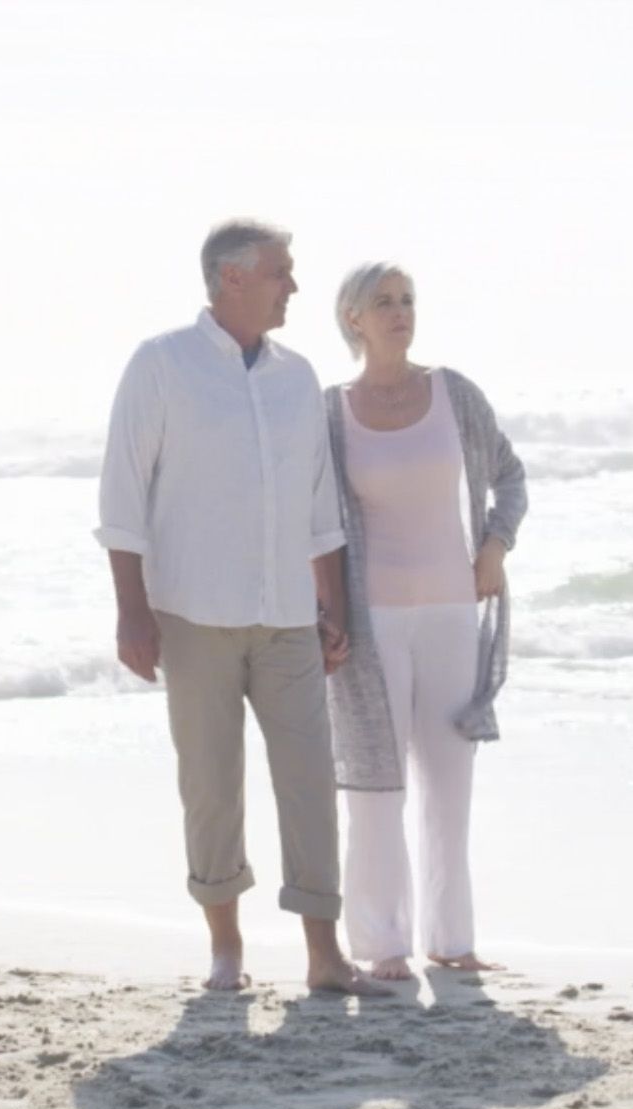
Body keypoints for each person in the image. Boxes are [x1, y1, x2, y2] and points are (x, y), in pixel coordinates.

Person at [95, 219, 384, 996]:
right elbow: (122, 498)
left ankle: (324, 955)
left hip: (289, 618)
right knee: (212, 787)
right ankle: (225, 947)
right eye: (280, 272)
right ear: (233, 277)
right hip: (193, 615)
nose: (293, 286)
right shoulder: (161, 365)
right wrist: (132, 612)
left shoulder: (297, 377)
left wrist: (333, 609)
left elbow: (319, 508)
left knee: (310, 784)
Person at [323, 262, 528, 981]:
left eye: (407, 300)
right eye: (383, 302)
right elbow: (310, 519)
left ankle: (452, 938)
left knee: (449, 782)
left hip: (449, 613)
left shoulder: (453, 394)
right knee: (376, 786)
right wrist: (323, 611)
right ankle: (383, 944)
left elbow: (509, 475)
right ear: (353, 318)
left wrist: (495, 545)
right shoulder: (330, 413)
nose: (400, 312)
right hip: (371, 622)